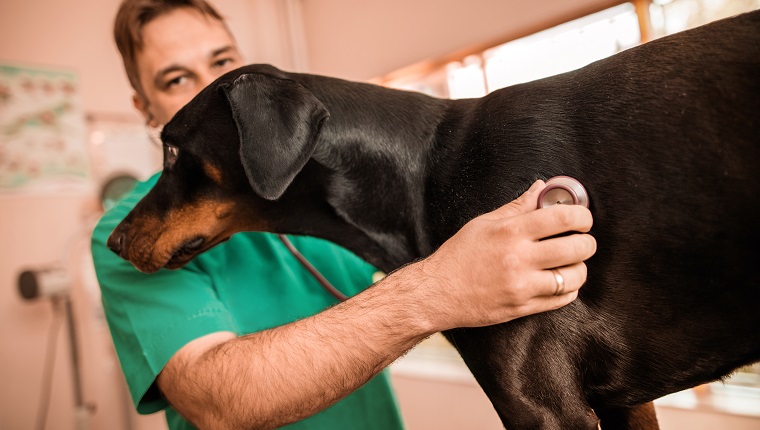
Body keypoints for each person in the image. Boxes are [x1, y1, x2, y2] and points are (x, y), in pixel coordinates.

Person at [91, 0, 597, 429]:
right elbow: (217, 401)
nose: (211, 92)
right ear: (145, 108)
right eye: (177, 78)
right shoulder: (127, 232)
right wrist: (439, 289)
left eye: (222, 61)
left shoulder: (321, 188)